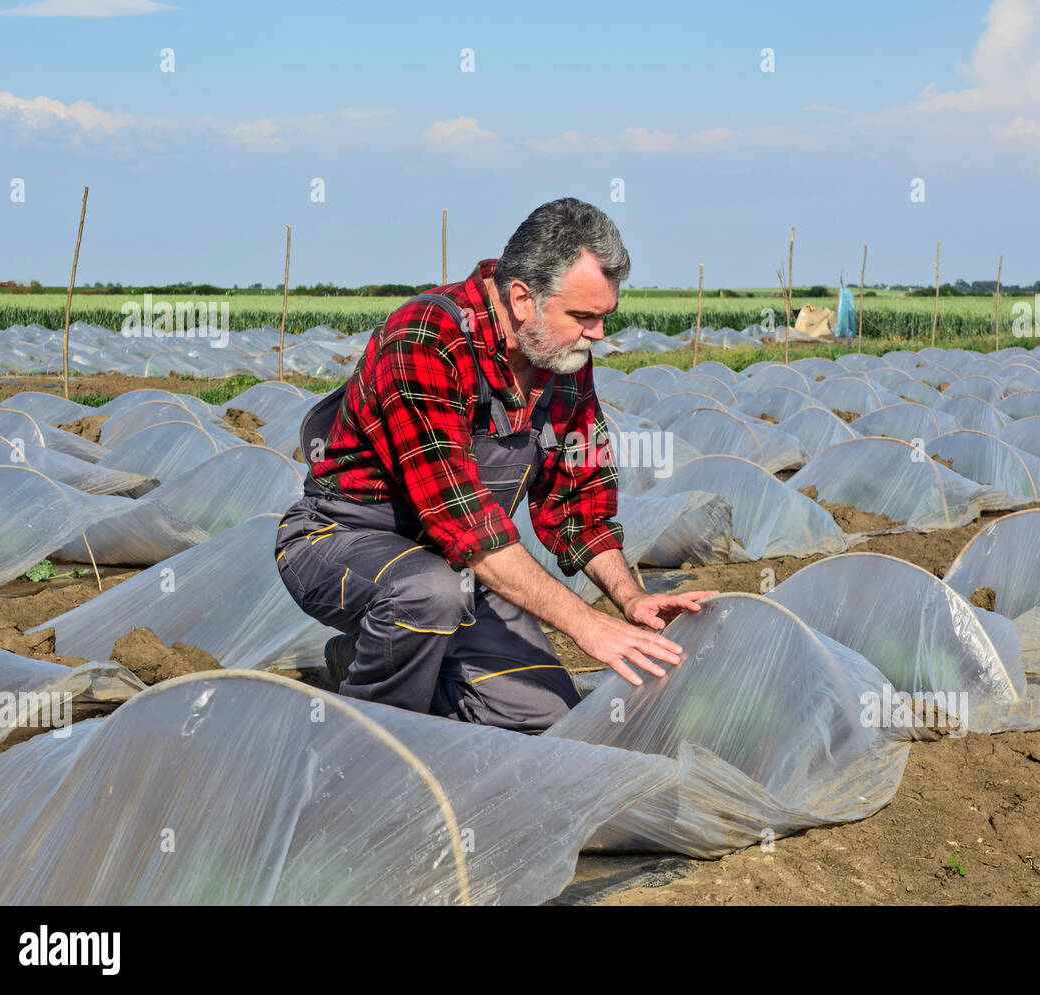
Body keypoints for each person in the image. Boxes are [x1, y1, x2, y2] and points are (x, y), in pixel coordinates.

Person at [274, 197, 714, 733]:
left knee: (548, 719)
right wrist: (586, 625)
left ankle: (374, 656)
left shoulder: (563, 361)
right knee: (425, 593)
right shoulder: (426, 339)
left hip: (463, 566)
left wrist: (630, 599)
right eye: (583, 316)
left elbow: (578, 509)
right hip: (342, 538)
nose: (597, 334)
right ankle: (363, 747)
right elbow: (465, 527)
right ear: (523, 298)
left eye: (604, 317)